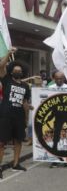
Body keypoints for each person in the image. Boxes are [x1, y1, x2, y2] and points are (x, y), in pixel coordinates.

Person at [0, 48, 31, 178]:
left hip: (19, 118)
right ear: (11, 71)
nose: (17, 71)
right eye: (15, 70)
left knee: (18, 141)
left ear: (22, 72)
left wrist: (26, 118)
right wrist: (9, 53)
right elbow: (1, 66)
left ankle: (16, 163)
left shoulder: (25, 86)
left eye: (19, 70)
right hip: (5, 116)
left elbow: (25, 103)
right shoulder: (6, 80)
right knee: (2, 142)